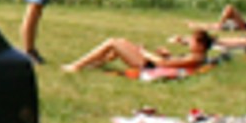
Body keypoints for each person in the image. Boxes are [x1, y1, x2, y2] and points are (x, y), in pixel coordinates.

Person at [64, 29, 214, 74]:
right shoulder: (197, 56)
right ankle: (93, 65)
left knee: (112, 43)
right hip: (150, 62)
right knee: (120, 42)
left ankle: (77, 66)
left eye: (192, 41)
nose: (188, 42)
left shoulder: (196, 58)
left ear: (201, 46)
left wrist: (144, 52)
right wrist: (167, 55)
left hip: (147, 66)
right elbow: (170, 62)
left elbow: (162, 64)